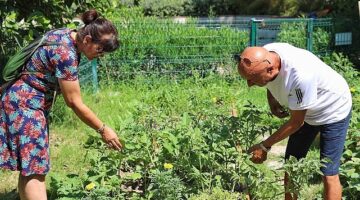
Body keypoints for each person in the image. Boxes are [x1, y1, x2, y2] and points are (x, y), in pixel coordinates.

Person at [0, 9, 123, 200]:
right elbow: (73, 102)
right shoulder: (66, 53)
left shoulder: (65, 34)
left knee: (30, 167)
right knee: (35, 169)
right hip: (26, 107)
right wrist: (103, 129)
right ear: (87, 40)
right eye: (100, 50)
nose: (101, 55)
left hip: (18, 101)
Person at [236, 43, 352, 200]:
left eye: (253, 79)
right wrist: (272, 98)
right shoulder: (266, 53)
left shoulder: (300, 75)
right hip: (305, 110)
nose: (249, 84)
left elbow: (296, 122)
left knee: (328, 172)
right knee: (291, 166)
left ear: (270, 69)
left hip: (333, 109)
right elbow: (271, 81)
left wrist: (264, 145)